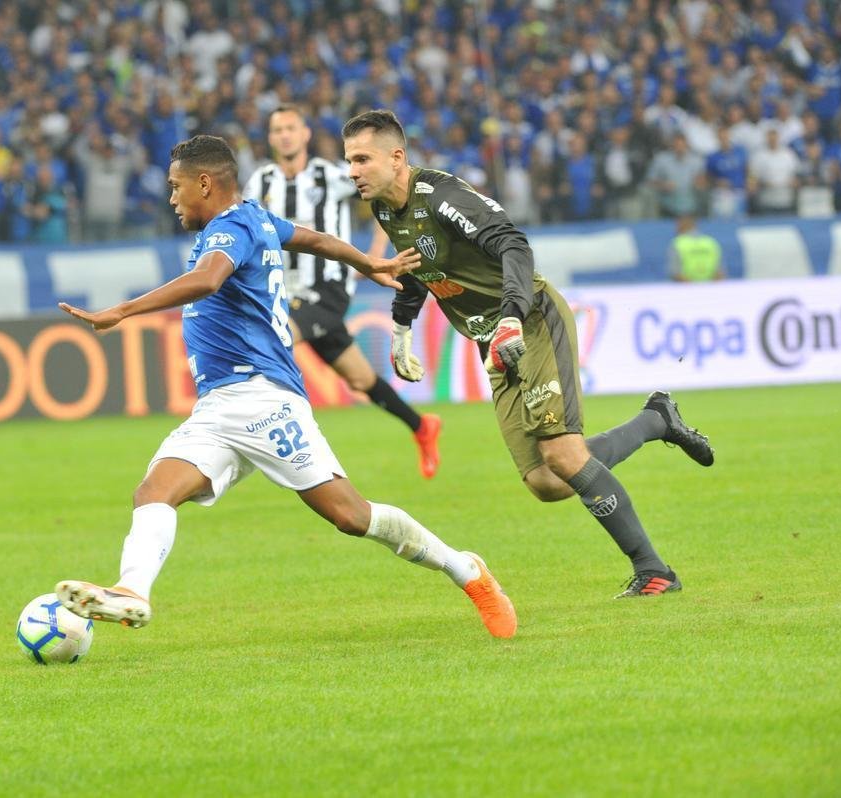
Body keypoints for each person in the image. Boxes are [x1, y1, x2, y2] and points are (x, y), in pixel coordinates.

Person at [55, 135, 516, 638]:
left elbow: (209, 280)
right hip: (217, 407)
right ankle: (131, 592)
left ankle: (466, 571)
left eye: (176, 186)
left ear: (205, 183)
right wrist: (368, 262)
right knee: (153, 492)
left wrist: (122, 309)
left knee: (351, 515)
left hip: (264, 401)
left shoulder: (230, 228)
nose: (171, 198)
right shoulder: (255, 218)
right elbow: (314, 240)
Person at [341, 109, 715, 598]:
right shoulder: (387, 208)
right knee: (546, 480)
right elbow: (416, 266)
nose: (353, 171)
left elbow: (513, 245)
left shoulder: (443, 196)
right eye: (348, 161)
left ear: (397, 157)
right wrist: (401, 328)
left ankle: (654, 570)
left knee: (561, 453)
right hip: (490, 341)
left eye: (362, 159)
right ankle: (655, 420)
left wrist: (512, 316)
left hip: (531, 319)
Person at [243, 104, 442, 479]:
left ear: (305, 134)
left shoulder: (330, 175)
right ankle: (421, 426)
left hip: (328, 289)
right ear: (270, 139)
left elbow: (385, 195)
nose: (284, 135)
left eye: (291, 127)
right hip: (286, 295)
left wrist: (376, 256)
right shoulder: (260, 183)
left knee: (273, 341)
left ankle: (284, 445)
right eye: (276, 130)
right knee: (360, 379)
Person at [668, 215, 725, 281]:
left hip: (686, 289)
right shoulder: (710, 242)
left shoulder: (677, 243)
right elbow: (720, 273)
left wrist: (694, 288)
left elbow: (675, 273)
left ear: (680, 226)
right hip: (710, 288)